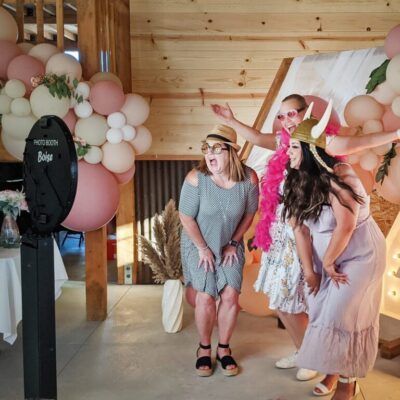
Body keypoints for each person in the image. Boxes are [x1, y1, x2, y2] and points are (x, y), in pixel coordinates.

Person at [212, 97, 399, 392]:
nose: (286, 122)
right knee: (300, 304)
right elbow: (298, 225)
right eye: (281, 116)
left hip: (347, 246)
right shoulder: (294, 168)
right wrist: (232, 121)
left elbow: (363, 145)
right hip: (312, 239)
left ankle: (338, 375)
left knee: (334, 313)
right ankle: (320, 361)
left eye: (292, 114)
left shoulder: (331, 159)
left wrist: (395, 134)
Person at [282, 107, 386, 400]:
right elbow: (300, 230)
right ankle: (333, 368)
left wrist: (328, 262)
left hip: (360, 255)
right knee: (320, 311)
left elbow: (346, 224)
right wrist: (311, 271)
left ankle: (347, 381)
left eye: (292, 147)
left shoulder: (340, 176)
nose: (287, 153)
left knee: (344, 316)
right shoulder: (297, 179)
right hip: (324, 256)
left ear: (310, 151)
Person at [179, 124, 259, 377]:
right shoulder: (196, 178)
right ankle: (204, 348)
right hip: (199, 242)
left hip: (229, 244)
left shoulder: (249, 179)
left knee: (230, 295)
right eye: (206, 148)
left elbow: (250, 213)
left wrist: (235, 242)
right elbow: (185, 217)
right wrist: (203, 248)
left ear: (232, 152)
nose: (209, 155)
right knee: (205, 296)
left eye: (216, 148)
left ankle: (223, 348)